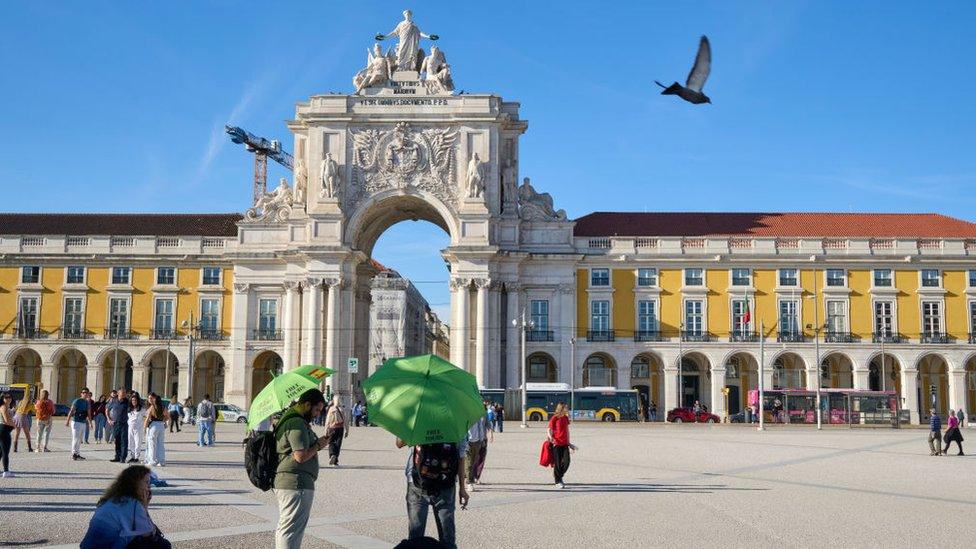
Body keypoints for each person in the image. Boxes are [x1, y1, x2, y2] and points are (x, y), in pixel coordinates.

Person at [274, 388, 330, 549]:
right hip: (296, 483)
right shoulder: (296, 422)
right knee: (291, 530)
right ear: (307, 404)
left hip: (291, 482)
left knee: (287, 528)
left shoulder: (290, 418)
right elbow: (300, 456)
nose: (318, 414)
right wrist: (319, 445)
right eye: (317, 409)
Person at [396, 435, 469, 549]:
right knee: (447, 538)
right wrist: (462, 488)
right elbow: (461, 455)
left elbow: (399, 443)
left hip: (418, 482)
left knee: (415, 537)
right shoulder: (455, 422)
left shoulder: (419, 419)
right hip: (445, 482)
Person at [80, 464, 170, 548]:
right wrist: (144, 507)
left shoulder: (114, 498)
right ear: (135, 484)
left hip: (88, 545)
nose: (149, 486)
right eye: (146, 482)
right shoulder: (133, 504)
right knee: (163, 544)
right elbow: (148, 533)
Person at [547, 402, 576, 489]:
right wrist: (551, 437)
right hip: (556, 443)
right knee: (558, 463)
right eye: (566, 407)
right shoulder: (554, 418)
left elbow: (567, 431)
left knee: (567, 462)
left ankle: (558, 475)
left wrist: (569, 443)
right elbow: (549, 429)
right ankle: (558, 481)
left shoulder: (566, 418)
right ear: (561, 408)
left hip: (564, 444)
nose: (567, 409)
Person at [465, 412, 493, 492]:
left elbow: (482, 427)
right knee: (469, 462)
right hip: (469, 441)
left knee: (474, 461)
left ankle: (468, 476)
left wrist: (482, 440)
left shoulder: (481, 413)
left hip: (478, 441)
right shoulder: (466, 413)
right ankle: (469, 483)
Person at [66, 387, 93, 461]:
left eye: (87, 393)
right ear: (81, 394)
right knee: (75, 438)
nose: (85, 394)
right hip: (76, 422)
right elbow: (71, 411)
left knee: (80, 439)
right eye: (84, 392)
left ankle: (77, 453)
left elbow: (89, 413)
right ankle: (74, 454)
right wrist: (68, 421)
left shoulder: (87, 402)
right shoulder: (77, 401)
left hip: (83, 422)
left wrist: (90, 423)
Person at [324, 395, 349, 467]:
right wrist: (347, 430)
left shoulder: (331, 409)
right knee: (338, 443)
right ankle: (335, 460)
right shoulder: (342, 409)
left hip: (332, 428)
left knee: (331, 442)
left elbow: (327, 421)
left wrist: (326, 430)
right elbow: (346, 421)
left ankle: (332, 455)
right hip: (340, 428)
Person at [144, 393, 168, 467]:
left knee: (152, 444)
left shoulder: (152, 407)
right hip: (161, 425)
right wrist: (164, 422)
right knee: (160, 444)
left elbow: (147, 419)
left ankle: (152, 460)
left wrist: (144, 428)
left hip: (154, 425)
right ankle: (161, 461)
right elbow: (167, 416)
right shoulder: (163, 407)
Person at [107, 389, 130, 463]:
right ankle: (117, 456)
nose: (123, 394)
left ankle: (123, 458)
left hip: (124, 424)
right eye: (122, 393)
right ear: (118, 393)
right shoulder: (113, 401)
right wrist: (109, 419)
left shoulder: (127, 401)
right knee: (117, 441)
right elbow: (107, 409)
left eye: (125, 393)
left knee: (124, 441)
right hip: (115, 424)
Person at [127, 394, 146, 463]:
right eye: (132, 400)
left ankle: (136, 457)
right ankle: (132, 456)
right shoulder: (129, 409)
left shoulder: (141, 409)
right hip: (130, 428)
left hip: (138, 428)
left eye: (135, 400)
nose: (133, 401)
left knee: (137, 443)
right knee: (131, 443)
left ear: (138, 401)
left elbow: (146, 416)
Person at [1, 392, 15, 477]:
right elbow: (6, 420)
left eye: (10, 397)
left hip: (4, 430)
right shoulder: (3, 407)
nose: (8, 399)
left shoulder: (6, 407)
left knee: (1, 452)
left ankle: (5, 470)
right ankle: (6, 471)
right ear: (2, 398)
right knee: (5, 452)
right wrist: (14, 425)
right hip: (4, 430)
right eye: (6, 397)